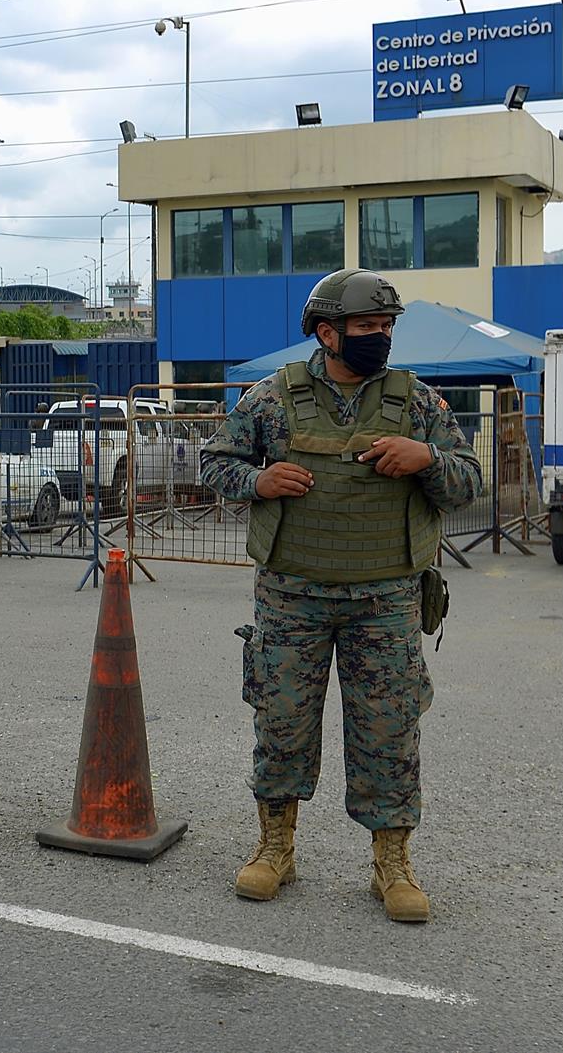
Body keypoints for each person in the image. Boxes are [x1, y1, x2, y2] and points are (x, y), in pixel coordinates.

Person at [197, 268, 481, 925]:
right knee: (281, 719)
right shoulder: (272, 398)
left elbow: (469, 481)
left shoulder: (416, 403)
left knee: (390, 729)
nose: (380, 337)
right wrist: (260, 480)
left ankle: (392, 863)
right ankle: (275, 848)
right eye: (367, 328)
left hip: (384, 596)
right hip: (291, 593)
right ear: (327, 333)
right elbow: (215, 461)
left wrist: (427, 459)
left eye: (386, 327)